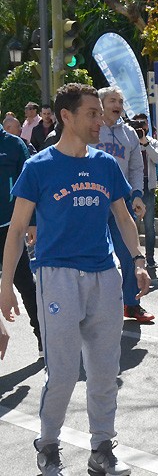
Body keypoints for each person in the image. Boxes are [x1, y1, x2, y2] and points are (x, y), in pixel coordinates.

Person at [0, 82, 150, 476]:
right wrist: (4, 287)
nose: (100, 120)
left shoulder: (104, 164)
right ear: (66, 116)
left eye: (100, 113)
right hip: (57, 277)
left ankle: (102, 448)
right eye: (92, 113)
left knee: (104, 373)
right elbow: (16, 231)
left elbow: (122, 216)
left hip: (104, 275)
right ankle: (49, 444)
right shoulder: (39, 167)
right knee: (63, 373)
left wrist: (137, 259)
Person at [92, 86, 154, 323]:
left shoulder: (129, 133)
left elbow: (137, 167)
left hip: (122, 202)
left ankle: (132, 303)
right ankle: (97, 306)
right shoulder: (92, 131)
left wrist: (137, 194)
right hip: (93, 202)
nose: (117, 104)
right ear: (101, 105)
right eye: (112, 100)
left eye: (120, 100)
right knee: (97, 255)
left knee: (130, 253)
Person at [0, 114, 42, 356]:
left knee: (26, 284)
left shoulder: (14, 144)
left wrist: (32, 222)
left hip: (9, 228)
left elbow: (29, 184)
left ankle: (42, 337)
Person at [133, 113, 158, 269]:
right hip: (133, 188)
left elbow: (157, 159)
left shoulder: (153, 142)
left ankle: (150, 257)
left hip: (148, 186)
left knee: (149, 225)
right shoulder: (130, 141)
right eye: (137, 124)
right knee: (132, 225)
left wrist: (145, 143)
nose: (140, 127)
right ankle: (133, 256)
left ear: (147, 126)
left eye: (143, 123)